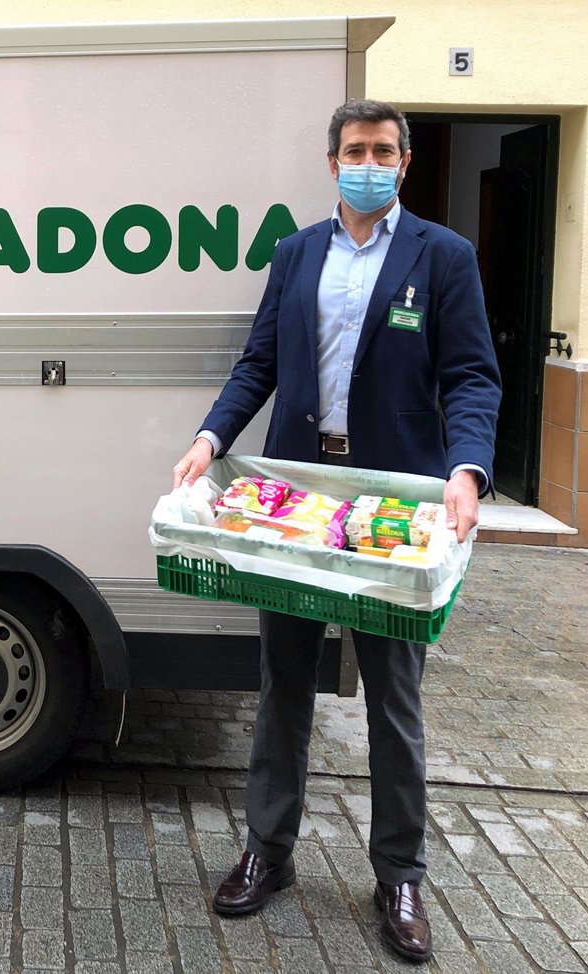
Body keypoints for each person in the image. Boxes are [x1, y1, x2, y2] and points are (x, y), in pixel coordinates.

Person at [172, 100, 501, 963]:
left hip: (391, 508)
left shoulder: (444, 256)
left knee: (394, 700)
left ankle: (399, 876)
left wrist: (467, 469)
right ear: (332, 163)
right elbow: (259, 363)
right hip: (298, 499)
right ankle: (267, 851)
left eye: (384, 151)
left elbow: (472, 376)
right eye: (355, 150)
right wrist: (210, 439)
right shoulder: (296, 254)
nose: (369, 163)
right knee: (283, 683)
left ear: (404, 162)